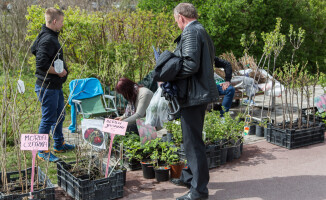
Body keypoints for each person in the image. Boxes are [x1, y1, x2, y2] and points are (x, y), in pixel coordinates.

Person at [167, 3, 219, 200]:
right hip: (198, 94)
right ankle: (189, 177)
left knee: (193, 143)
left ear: (181, 17)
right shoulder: (202, 31)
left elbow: (190, 64)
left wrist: (169, 75)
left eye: (176, 22)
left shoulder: (191, 32)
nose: (177, 25)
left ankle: (198, 191)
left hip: (193, 95)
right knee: (191, 140)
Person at [31, 7, 75, 162]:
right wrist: (59, 72)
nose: (62, 25)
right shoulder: (48, 39)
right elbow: (41, 65)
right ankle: (42, 150)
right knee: (48, 118)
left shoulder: (46, 34)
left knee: (60, 115)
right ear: (55, 21)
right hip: (47, 86)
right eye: (61, 22)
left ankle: (59, 144)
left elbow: (33, 49)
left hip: (54, 86)